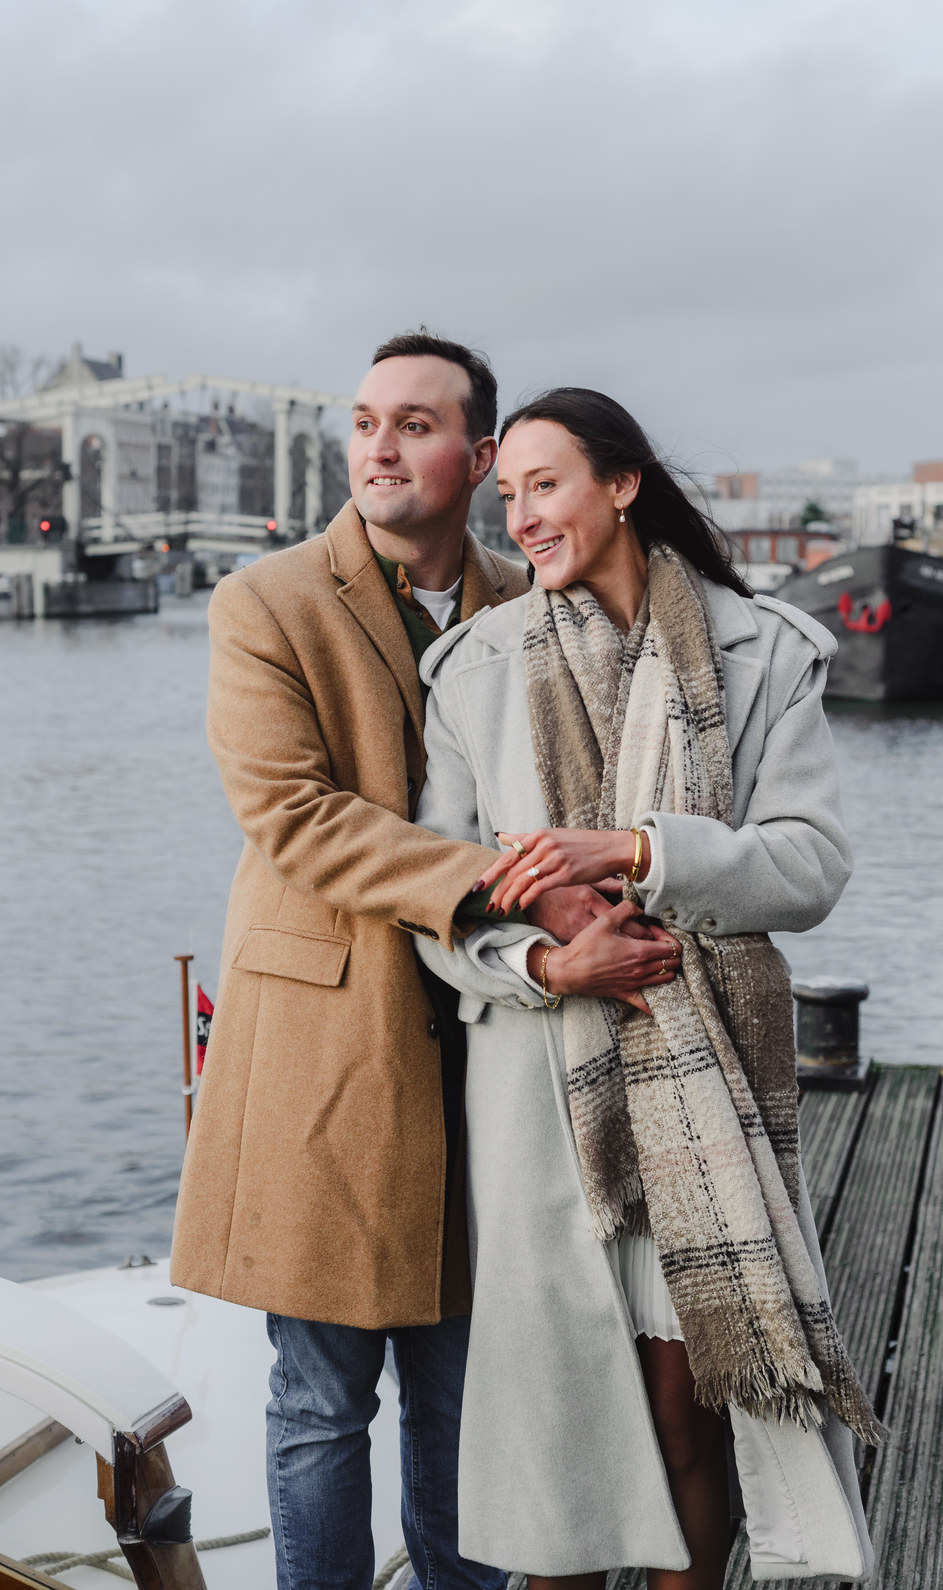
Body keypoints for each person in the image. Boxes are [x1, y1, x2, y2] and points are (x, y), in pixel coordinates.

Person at [170, 340, 660, 1590]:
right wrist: (512, 887)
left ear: (483, 455)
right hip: (331, 1050)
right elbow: (296, 815)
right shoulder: (265, 601)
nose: (378, 446)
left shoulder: (533, 597)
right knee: (324, 1397)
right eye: (364, 421)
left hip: (496, 1048)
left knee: (470, 1392)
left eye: (415, 422)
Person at [412, 388, 883, 1588]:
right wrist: (548, 961)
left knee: (692, 1422)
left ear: (621, 485)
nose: (520, 515)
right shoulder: (474, 672)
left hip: (707, 1091)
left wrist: (634, 850)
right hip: (542, 1097)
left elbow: (810, 865)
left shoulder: (765, 650)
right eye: (505, 493)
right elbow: (439, 898)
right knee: (556, 1452)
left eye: (546, 484)